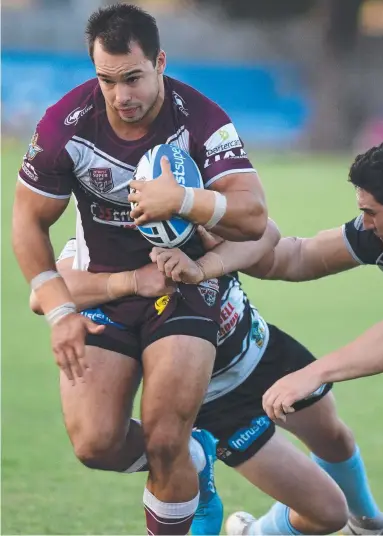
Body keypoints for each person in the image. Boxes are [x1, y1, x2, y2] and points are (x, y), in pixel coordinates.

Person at [12, 4, 267, 534]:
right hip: (107, 289)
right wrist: (61, 312)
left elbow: (254, 217)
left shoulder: (201, 119)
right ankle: (196, 461)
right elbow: (26, 223)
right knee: (95, 443)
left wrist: (185, 200)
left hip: (183, 284)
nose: (120, 95)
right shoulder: (66, 126)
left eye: (133, 77)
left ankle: (179, 456)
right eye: (107, 80)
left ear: (160, 63)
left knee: (164, 436)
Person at [31, 223, 383, 536]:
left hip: (261, 348)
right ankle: (250, 526)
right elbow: (44, 295)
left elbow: (266, 234)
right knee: (327, 514)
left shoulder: (195, 216)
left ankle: (370, 525)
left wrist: (214, 236)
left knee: (335, 436)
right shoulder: (98, 245)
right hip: (219, 402)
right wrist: (131, 281)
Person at [239, 137, 383, 534]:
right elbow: (297, 257)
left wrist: (315, 373)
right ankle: (364, 526)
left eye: (370, 212)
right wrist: (214, 240)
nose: (363, 222)